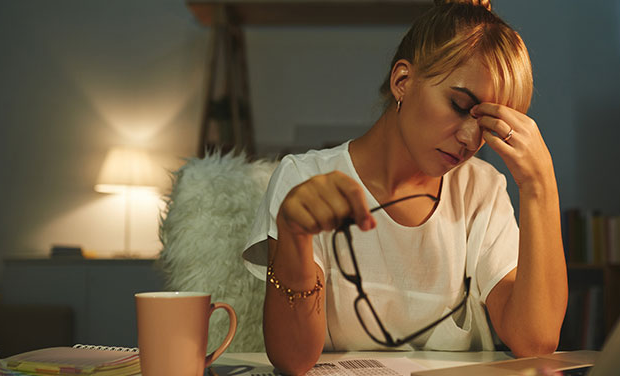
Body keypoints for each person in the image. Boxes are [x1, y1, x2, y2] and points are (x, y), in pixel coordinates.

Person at [241, 1, 568, 374]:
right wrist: (293, 235)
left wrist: (539, 183)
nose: (469, 138)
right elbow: (293, 360)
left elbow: (536, 341)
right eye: (460, 105)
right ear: (402, 81)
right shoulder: (304, 180)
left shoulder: (481, 190)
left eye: (488, 126)